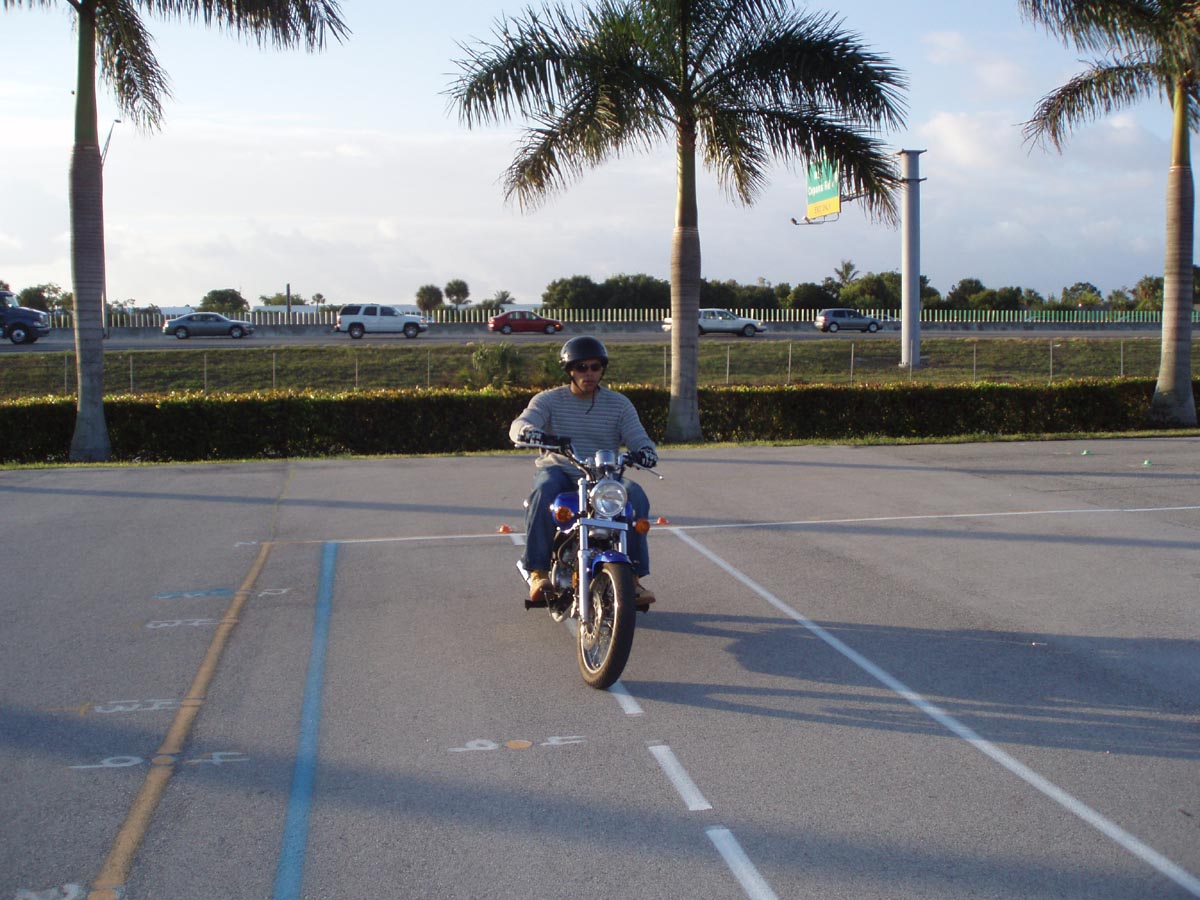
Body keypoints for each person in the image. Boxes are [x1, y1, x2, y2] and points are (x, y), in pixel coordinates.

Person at [510, 335, 658, 607]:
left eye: (595, 367)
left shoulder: (619, 404)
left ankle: (632, 579)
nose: (588, 373)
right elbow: (521, 424)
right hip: (560, 470)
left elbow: (639, 437)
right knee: (544, 492)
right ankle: (538, 572)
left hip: (604, 476)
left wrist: (646, 451)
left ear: (602, 370)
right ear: (570, 371)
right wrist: (529, 432)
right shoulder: (549, 400)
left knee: (635, 496)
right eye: (581, 367)